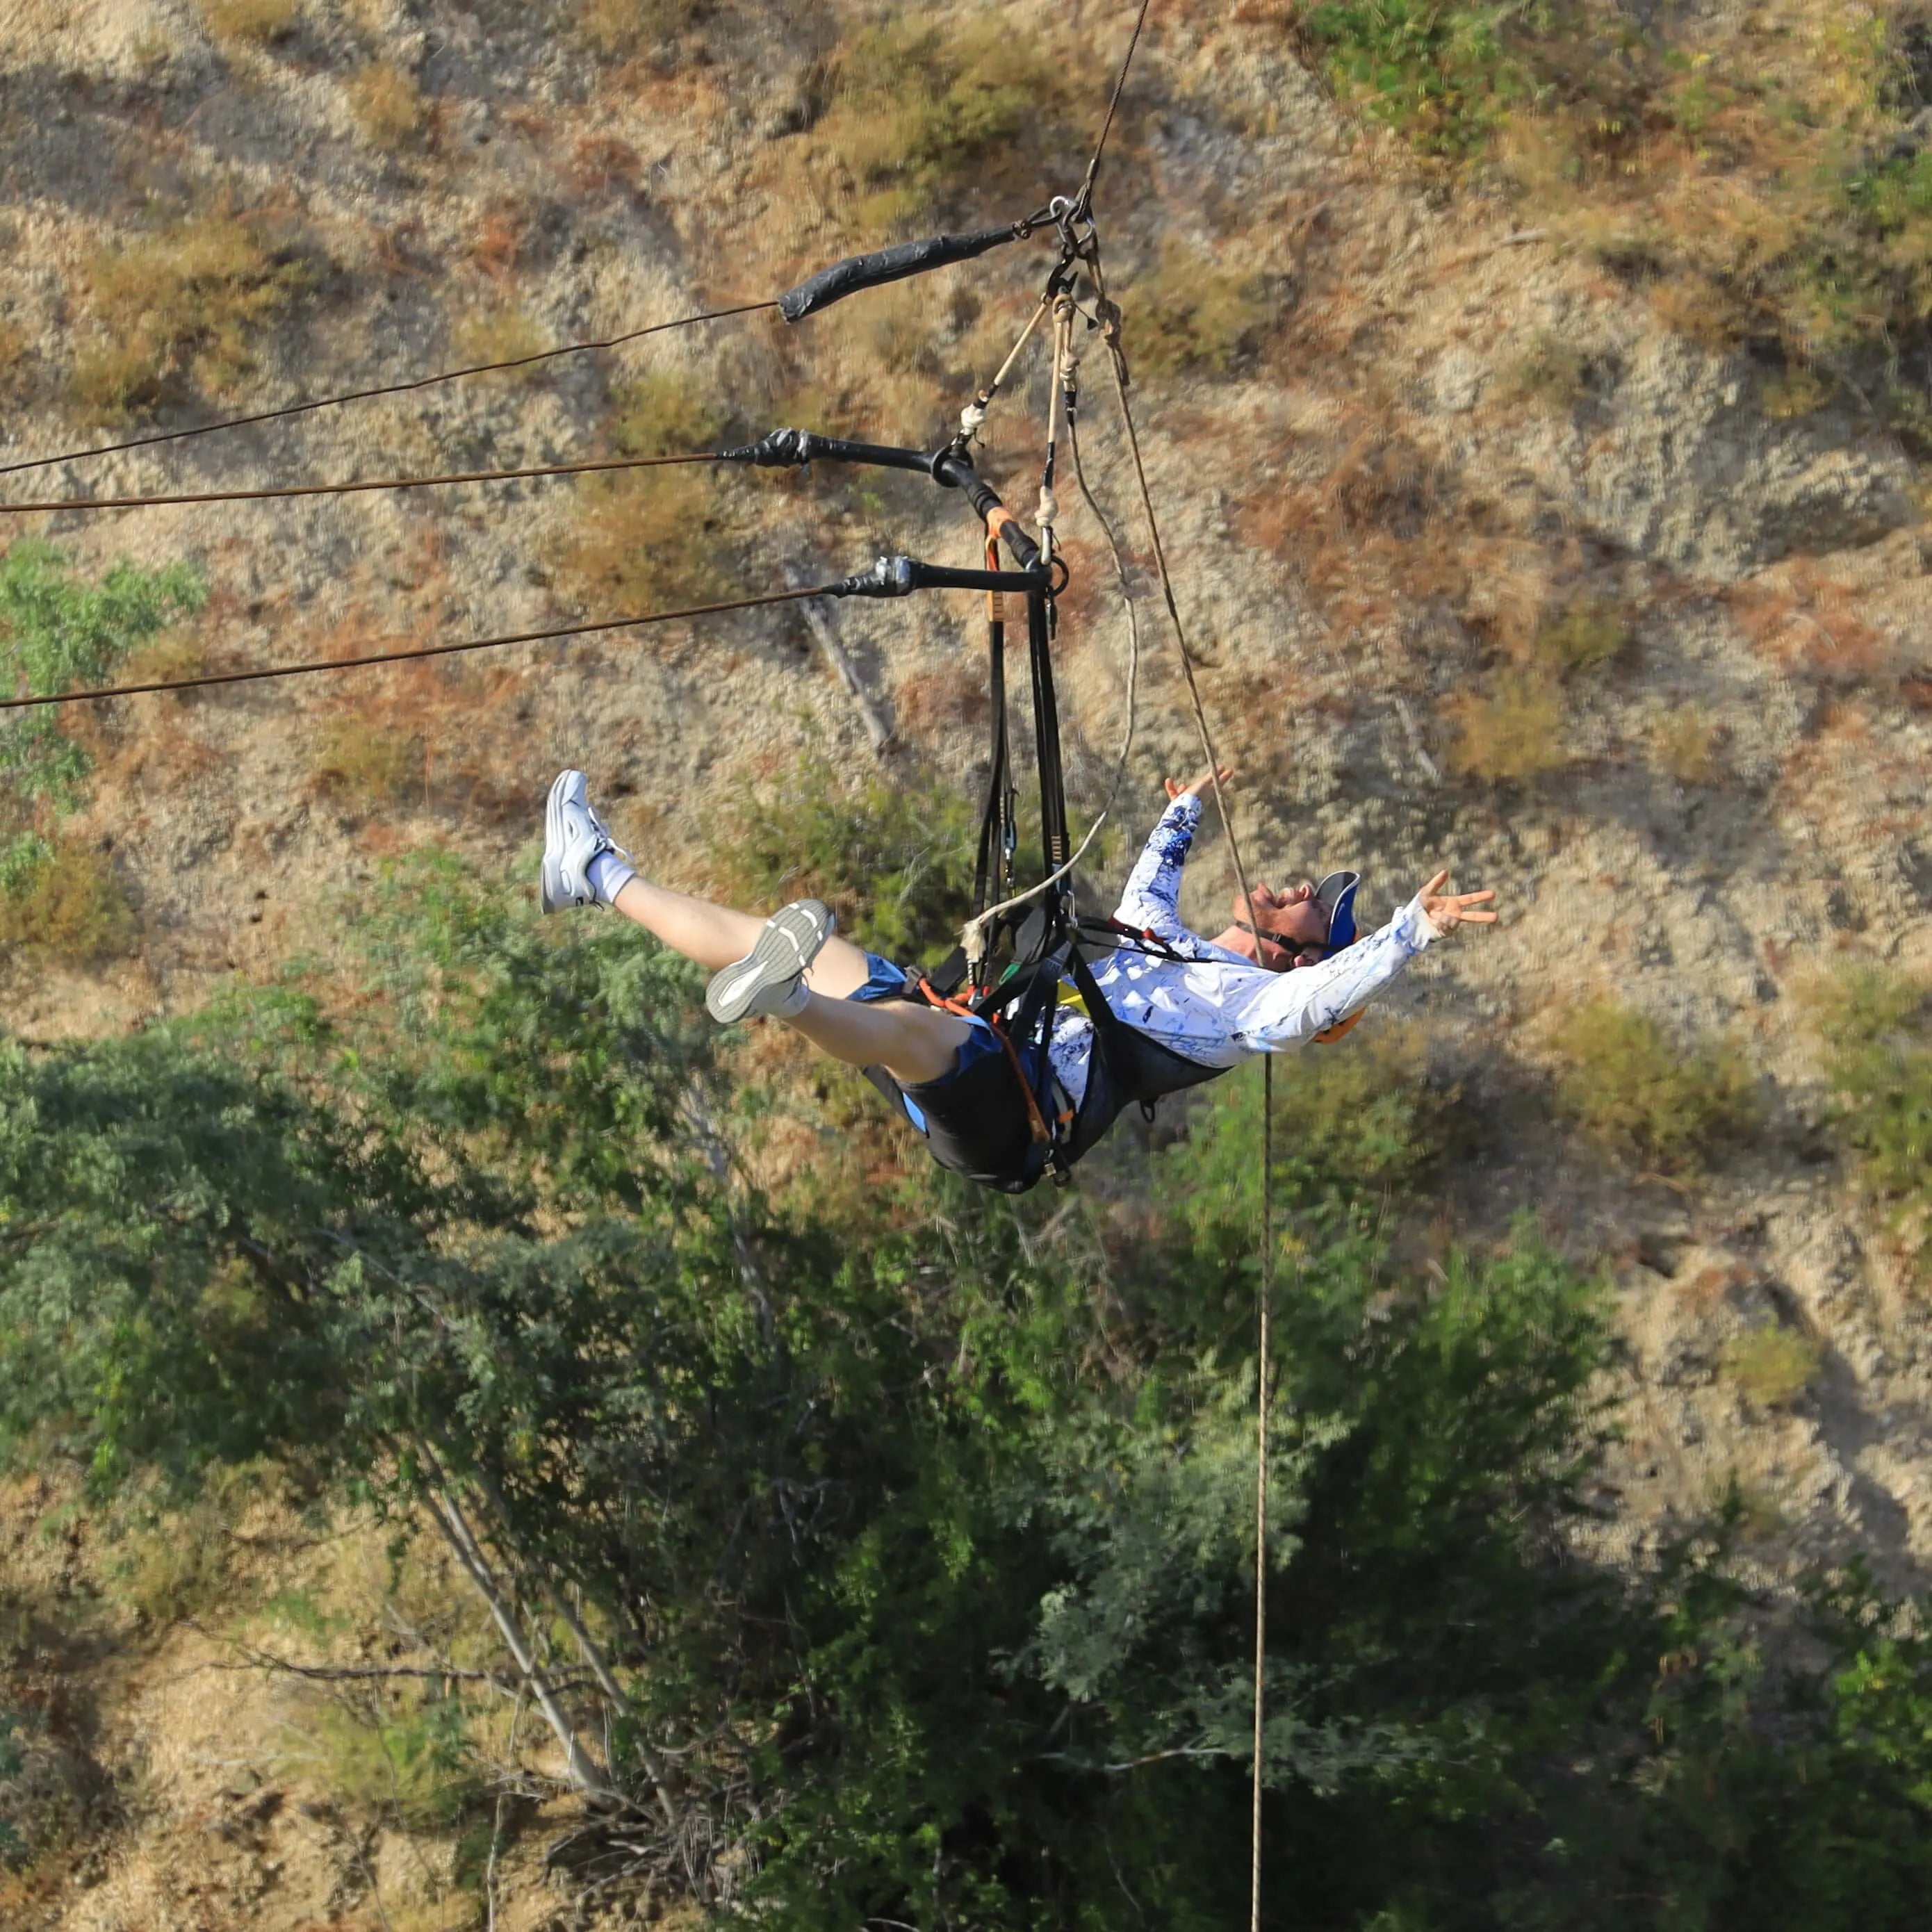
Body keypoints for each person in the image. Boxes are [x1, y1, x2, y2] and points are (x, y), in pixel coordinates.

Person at [539, 766, 1496, 1187]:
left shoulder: (1248, 1009)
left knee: (927, 1040)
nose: (1290, 887)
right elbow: (1146, 896)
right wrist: (1184, 815)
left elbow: (1315, 1009)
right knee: (812, 954)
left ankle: (787, 1002)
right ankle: (593, 870)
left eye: (1305, 907)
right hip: (991, 1037)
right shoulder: (1174, 950)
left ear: (1299, 952)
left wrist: (1412, 932)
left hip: (1017, 1118)